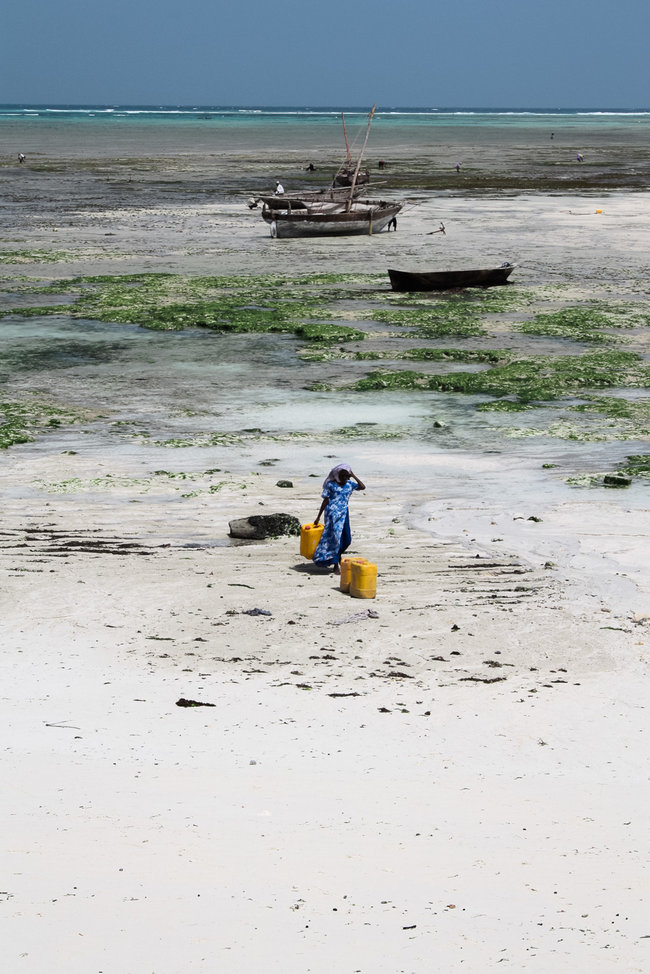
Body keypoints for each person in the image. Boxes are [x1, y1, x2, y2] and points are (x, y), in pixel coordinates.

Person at [313, 464, 366, 574]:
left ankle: (336, 556)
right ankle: (336, 564)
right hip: (332, 515)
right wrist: (318, 517)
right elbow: (325, 500)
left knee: (347, 539)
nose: (344, 479)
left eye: (346, 477)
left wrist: (353, 475)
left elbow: (362, 487)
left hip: (344, 514)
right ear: (337, 476)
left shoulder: (349, 484)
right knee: (336, 539)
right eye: (342, 477)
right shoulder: (331, 485)